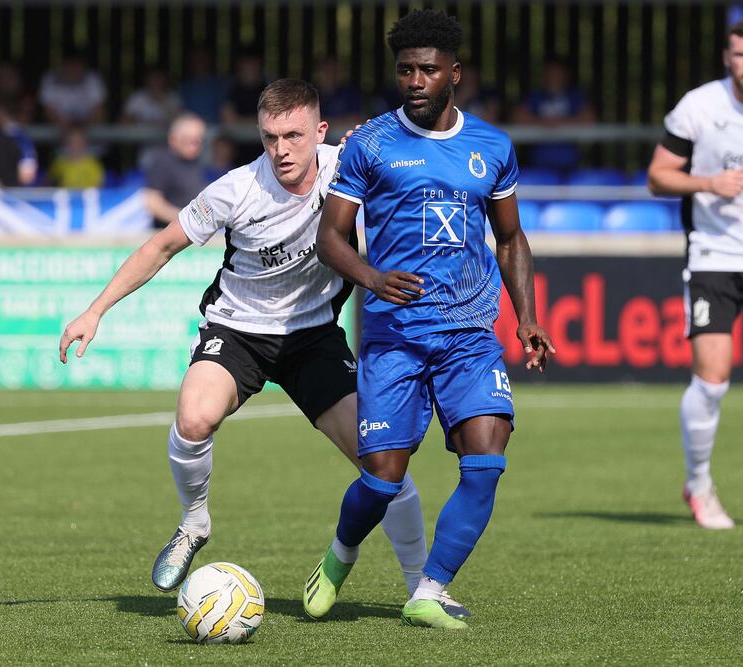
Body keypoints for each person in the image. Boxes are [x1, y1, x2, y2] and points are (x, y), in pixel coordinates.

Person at [58, 78, 469, 617]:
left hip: (314, 338)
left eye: (294, 136)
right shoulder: (235, 189)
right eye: (270, 137)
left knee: (382, 462)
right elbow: (161, 245)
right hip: (239, 332)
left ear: (319, 132)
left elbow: (421, 148)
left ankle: (422, 588)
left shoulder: (351, 164)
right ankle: (194, 521)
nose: (281, 150)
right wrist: (95, 310)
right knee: (193, 417)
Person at [302, 10, 554, 630]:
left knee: (487, 461)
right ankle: (339, 557)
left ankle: (429, 589)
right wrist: (371, 278)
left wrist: (526, 317)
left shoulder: (491, 147)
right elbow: (329, 238)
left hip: (469, 336)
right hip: (395, 338)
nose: (414, 80)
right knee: (384, 480)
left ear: (454, 75)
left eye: (427, 69)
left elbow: (512, 238)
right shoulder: (370, 145)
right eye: (405, 69)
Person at [647, 17, 743, 530]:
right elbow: (658, 176)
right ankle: (698, 483)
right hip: (714, 258)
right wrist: (708, 183)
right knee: (713, 380)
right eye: (740, 55)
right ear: (727, 56)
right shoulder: (700, 106)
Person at [511, 57, 596, 172]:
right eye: (551, 73)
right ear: (545, 75)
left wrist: (560, 122)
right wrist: (544, 122)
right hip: (539, 164)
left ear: (566, 75)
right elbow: (518, 117)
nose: (555, 77)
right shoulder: (536, 96)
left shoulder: (574, 96)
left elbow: (589, 118)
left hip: (570, 164)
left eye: (559, 73)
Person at [143, 113, 207, 229]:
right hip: (168, 231)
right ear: (173, 139)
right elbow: (152, 202)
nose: (195, 145)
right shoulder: (162, 162)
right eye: (189, 140)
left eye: (198, 141)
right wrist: (187, 219)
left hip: (194, 232)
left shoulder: (196, 161)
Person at [38, 49, 106, 126]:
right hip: (58, 130)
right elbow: (47, 111)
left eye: (77, 65)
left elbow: (99, 113)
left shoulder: (92, 79)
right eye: (70, 65)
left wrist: (81, 126)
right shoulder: (50, 78)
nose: (73, 70)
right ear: (62, 65)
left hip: (87, 131)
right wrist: (64, 122)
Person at [48, 124, 105, 189]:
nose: (75, 145)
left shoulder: (93, 164)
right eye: (72, 141)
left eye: (78, 141)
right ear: (66, 143)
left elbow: (99, 186)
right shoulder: (59, 163)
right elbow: (50, 183)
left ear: (84, 143)